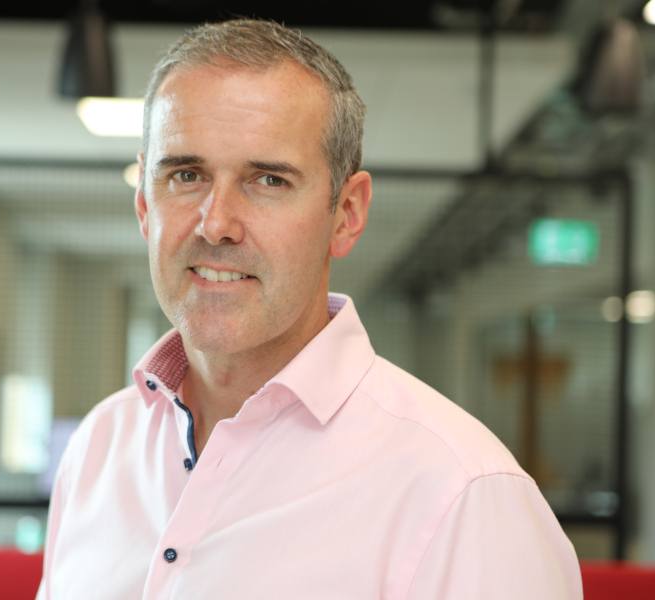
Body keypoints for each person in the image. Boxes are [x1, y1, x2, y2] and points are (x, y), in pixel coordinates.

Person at [37, 18, 582, 599]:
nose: (216, 223)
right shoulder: (99, 449)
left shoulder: (462, 494)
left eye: (268, 180)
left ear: (346, 214)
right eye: (186, 175)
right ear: (145, 206)